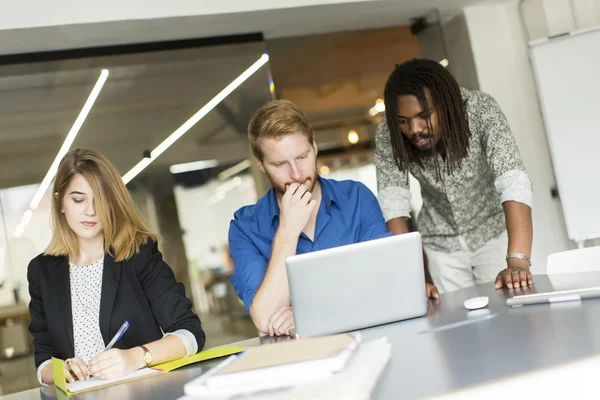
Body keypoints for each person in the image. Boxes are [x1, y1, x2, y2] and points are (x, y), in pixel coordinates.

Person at [27, 148, 205, 385]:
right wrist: (64, 371)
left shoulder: (139, 254)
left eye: (99, 200)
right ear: (60, 202)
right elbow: (43, 364)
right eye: (78, 199)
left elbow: (190, 334)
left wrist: (136, 357)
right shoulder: (42, 271)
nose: (90, 211)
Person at [228, 99, 390, 336]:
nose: (296, 174)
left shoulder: (357, 199)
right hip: (299, 360)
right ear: (261, 165)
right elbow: (264, 317)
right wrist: (287, 231)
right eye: (281, 164)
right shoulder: (245, 227)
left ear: (314, 147)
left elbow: (385, 285)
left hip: (370, 339)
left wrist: (306, 315)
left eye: (302, 157)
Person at [375, 58, 534, 295]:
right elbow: (392, 204)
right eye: (403, 121)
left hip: (493, 232)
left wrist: (518, 261)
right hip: (441, 245)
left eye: (424, 115)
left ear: (446, 105)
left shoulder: (480, 109)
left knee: (509, 312)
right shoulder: (388, 133)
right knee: (456, 324)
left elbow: (513, 179)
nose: (414, 129)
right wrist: (412, 277)